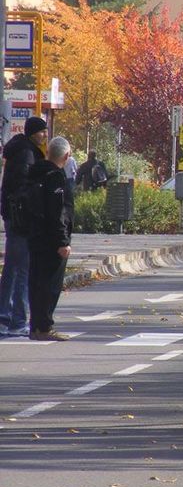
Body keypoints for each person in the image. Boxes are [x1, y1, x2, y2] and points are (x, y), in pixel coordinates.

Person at [0, 116, 48, 338]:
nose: (45, 135)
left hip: (13, 218)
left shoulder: (18, 150)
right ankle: (17, 320)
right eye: (42, 131)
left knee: (11, 268)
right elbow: (24, 188)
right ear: (32, 132)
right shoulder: (27, 154)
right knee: (22, 269)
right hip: (21, 220)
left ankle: (4, 317)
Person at [27, 136, 74, 341]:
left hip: (34, 236)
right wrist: (63, 242)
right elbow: (58, 212)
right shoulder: (55, 177)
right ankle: (44, 327)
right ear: (66, 156)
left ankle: (36, 326)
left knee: (36, 281)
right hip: (52, 240)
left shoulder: (34, 173)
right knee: (50, 284)